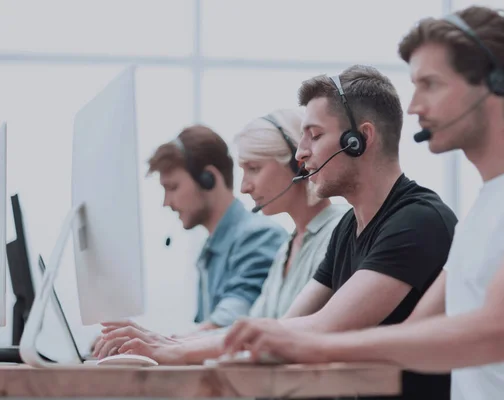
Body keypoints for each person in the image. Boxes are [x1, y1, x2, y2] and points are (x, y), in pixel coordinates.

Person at [222, 6, 504, 400]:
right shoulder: (486, 205)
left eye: (430, 84)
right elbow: (413, 335)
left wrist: (316, 344)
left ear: (496, 84)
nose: (415, 106)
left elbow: (496, 332)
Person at [98, 65, 457, 400]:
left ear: (359, 140)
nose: (301, 154)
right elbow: (284, 325)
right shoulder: (349, 227)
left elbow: (321, 327)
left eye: (314, 136)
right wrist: (169, 345)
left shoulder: (416, 221)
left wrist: (171, 350)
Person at [94, 109, 347, 356]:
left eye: (254, 168)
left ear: (298, 166)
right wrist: (159, 343)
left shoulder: (334, 232)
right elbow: (251, 330)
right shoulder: (286, 249)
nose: (245, 187)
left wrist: (167, 344)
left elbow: (269, 333)